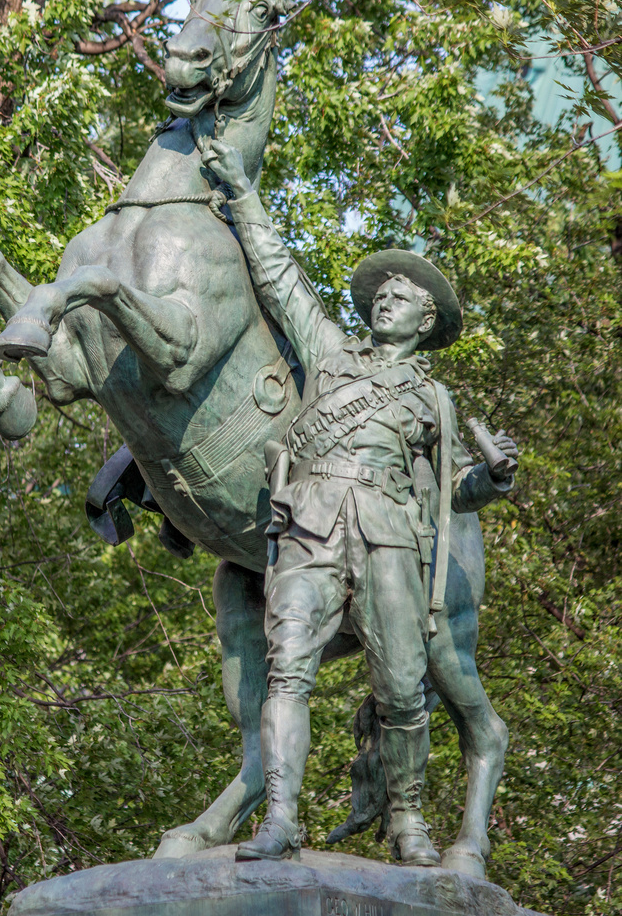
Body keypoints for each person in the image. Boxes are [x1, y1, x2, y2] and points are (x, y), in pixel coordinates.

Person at [201, 141, 518, 867]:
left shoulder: (435, 399)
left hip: (390, 539)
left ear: (426, 322)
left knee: (403, 691)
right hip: (310, 525)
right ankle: (279, 817)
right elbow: (279, 274)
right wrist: (243, 193)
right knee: (287, 673)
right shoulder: (329, 350)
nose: (385, 298)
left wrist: (493, 479)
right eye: (382, 291)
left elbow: (450, 496)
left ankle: (408, 822)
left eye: (403, 296)